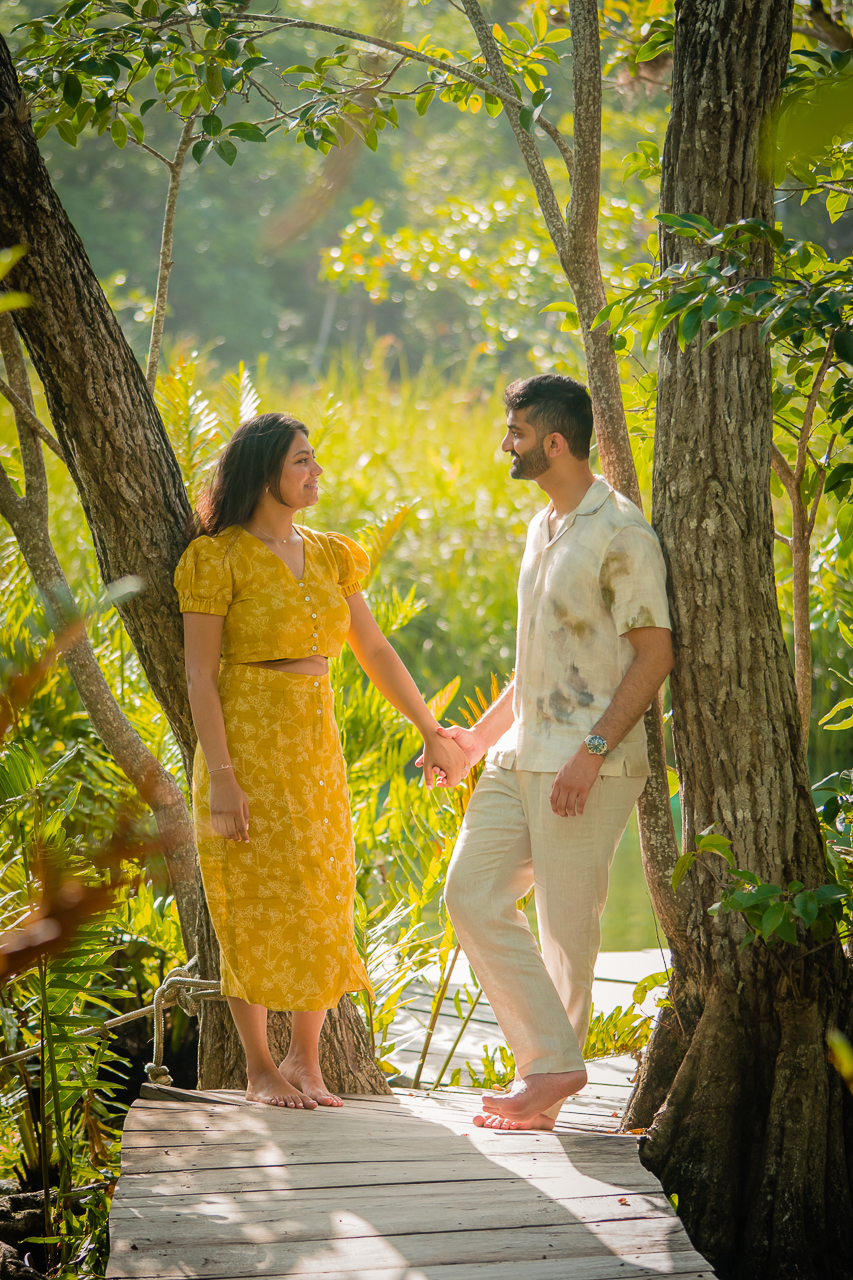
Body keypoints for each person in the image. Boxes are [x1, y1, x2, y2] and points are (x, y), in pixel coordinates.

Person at [175, 412, 467, 1109]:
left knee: (321, 895)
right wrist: (222, 777)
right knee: (248, 900)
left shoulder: (332, 554)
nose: (315, 473)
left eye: (315, 460)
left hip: (313, 750)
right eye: (301, 461)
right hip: (243, 747)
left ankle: (306, 1062)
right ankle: (257, 1068)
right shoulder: (216, 559)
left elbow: (373, 650)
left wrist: (430, 728)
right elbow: (197, 677)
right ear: (263, 470)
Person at [438, 374, 673, 1132]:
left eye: (513, 433)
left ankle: (542, 1087)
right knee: (469, 895)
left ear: (555, 442)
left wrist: (592, 751)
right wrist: (476, 739)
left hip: (589, 763)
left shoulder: (621, 532)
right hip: (517, 754)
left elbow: (653, 654)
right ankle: (553, 1064)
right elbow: (533, 664)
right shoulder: (543, 526)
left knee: (567, 934)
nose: (502, 445)